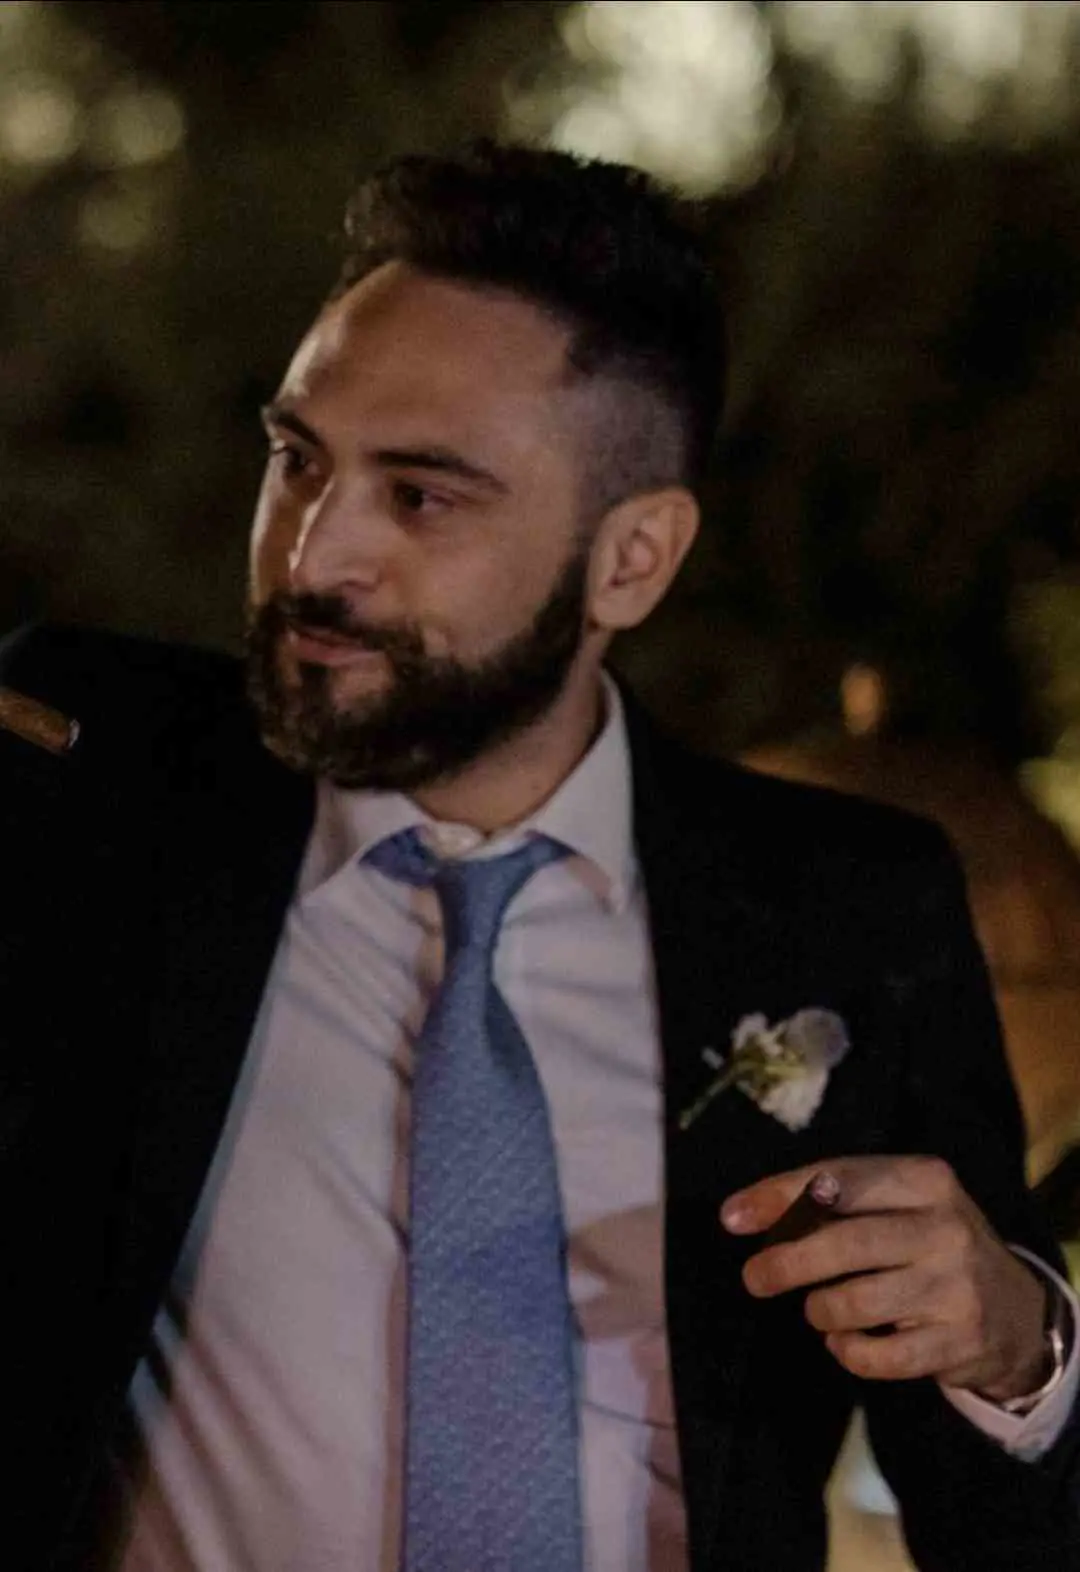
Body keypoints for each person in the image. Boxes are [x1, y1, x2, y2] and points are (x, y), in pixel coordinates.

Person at [2, 140, 1079, 1572]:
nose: (315, 556)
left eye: (423, 496)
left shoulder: (848, 904)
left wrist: (1016, 1346)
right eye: (297, 460)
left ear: (632, 559)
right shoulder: (79, 772)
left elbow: (1004, 1531)